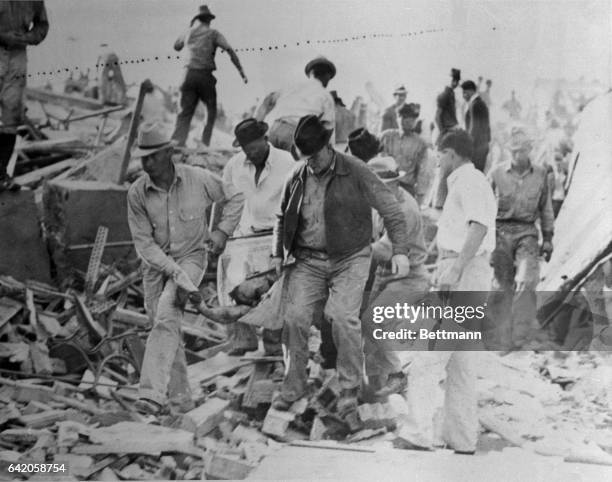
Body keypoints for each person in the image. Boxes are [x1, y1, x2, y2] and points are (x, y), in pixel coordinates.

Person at [270, 115, 410, 414]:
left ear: (328, 146)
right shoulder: (297, 174)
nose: (312, 162)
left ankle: (349, 386)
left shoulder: (355, 170)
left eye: (316, 155)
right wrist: (277, 254)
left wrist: (399, 250)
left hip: (351, 257)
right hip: (308, 259)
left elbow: (391, 208)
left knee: (342, 317)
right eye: (306, 157)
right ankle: (293, 386)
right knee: (295, 319)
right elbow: (282, 217)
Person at [127, 122, 244, 415]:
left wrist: (221, 232)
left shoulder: (198, 179)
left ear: (169, 153)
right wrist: (172, 273)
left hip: (192, 259)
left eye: (152, 156)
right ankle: (181, 402)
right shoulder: (137, 193)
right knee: (165, 327)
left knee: (167, 312)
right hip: (155, 268)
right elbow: (145, 245)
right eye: (143, 157)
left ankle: (151, 395)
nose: (146, 163)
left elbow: (236, 198)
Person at [396, 129, 496, 454]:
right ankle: (462, 438)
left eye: (440, 155)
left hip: (463, 271)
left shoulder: (469, 181)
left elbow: (479, 226)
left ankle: (417, 432)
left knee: (430, 353)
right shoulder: (468, 181)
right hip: (465, 270)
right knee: (461, 361)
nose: (438, 161)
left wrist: (455, 268)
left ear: (451, 153)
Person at [221, 118, 295, 357]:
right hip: (244, 236)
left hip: (275, 235)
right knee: (233, 282)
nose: (250, 154)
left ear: (265, 140)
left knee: (275, 290)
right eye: (245, 149)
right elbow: (226, 200)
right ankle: (244, 338)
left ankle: (273, 344)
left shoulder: (286, 162)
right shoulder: (234, 165)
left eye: (254, 148)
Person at [361, 156, 429, 397]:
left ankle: (396, 375)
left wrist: (351, 250)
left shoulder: (404, 209)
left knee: (374, 321)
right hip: (386, 273)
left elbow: (385, 249)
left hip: (408, 277)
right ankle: (374, 393)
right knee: (367, 332)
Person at [487, 126, 554, 349]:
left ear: (530, 150)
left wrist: (548, 238)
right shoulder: (496, 174)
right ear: (508, 151)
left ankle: (520, 334)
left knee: (527, 281)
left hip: (527, 232)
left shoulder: (542, 174)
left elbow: (546, 209)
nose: (518, 156)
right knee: (501, 285)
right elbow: (484, 209)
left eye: (523, 151)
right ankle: (500, 335)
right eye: (514, 151)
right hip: (501, 232)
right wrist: (485, 243)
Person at [172, 5, 247, 147]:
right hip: (204, 76)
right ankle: (204, 142)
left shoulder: (188, 32)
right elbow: (229, 50)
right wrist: (241, 72)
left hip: (187, 75)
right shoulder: (213, 33)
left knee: (184, 111)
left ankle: (178, 142)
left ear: (197, 19)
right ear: (209, 20)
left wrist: (190, 29)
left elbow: (176, 46)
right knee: (210, 109)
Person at [0, 1, 49, 192]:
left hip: (18, 56)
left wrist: (28, 37)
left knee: (11, 115)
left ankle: (1, 173)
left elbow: (42, 25)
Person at [255, 57, 336, 155]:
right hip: (296, 135)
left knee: (271, 166)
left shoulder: (291, 86)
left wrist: (255, 128)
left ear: (310, 73)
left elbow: (266, 103)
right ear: (327, 76)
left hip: (274, 130)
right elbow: (327, 128)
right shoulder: (325, 96)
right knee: (295, 169)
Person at [380, 103, 428, 203]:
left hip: (407, 188)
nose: (408, 121)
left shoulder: (420, 143)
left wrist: (419, 197)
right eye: (404, 117)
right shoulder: (386, 137)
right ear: (397, 118)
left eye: (412, 118)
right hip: (386, 185)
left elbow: (422, 172)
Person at [461, 80, 491, 172]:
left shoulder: (475, 104)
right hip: (481, 147)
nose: (463, 96)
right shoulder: (480, 103)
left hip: (476, 149)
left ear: (470, 91)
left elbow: (474, 128)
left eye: (464, 93)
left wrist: (467, 147)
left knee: (473, 175)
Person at [435, 68, 460, 146]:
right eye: (453, 80)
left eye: (457, 80)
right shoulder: (444, 94)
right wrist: (442, 132)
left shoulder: (451, 93)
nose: (455, 83)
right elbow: (437, 116)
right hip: (447, 130)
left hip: (452, 129)